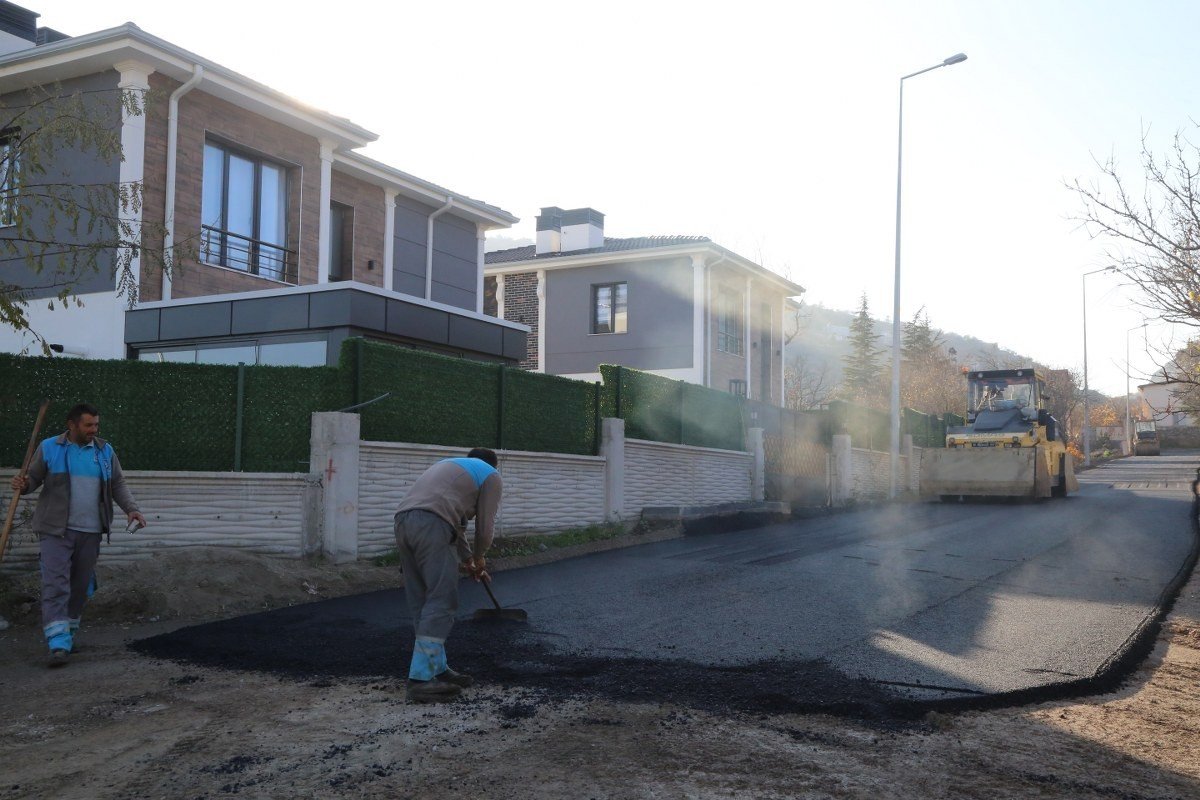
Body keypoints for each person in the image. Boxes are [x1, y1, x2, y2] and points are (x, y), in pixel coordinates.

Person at [10, 403, 145, 666]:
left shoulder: (104, 451)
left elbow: (117, 483)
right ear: (72, 425)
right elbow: (33, 479)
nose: (94, 430)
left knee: (80, 587)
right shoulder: (50, 448)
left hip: (92, 530)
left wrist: (132, 509)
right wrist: (23, 484)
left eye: (96, 425)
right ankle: (57, 643)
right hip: (55, 530)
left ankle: (68, 635)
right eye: (88, 425)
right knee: (56, 583)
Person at [393, 447, 501, 703]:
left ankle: (436, 668)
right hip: (432, 525)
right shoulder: (491, 475)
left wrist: (468, 561)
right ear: (494, 466)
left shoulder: (451, 468)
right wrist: (481, 556)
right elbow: (485, 527)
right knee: (442, 600)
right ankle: (419, 680)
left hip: (403, 523)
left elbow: (456, 527)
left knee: (422, 601)